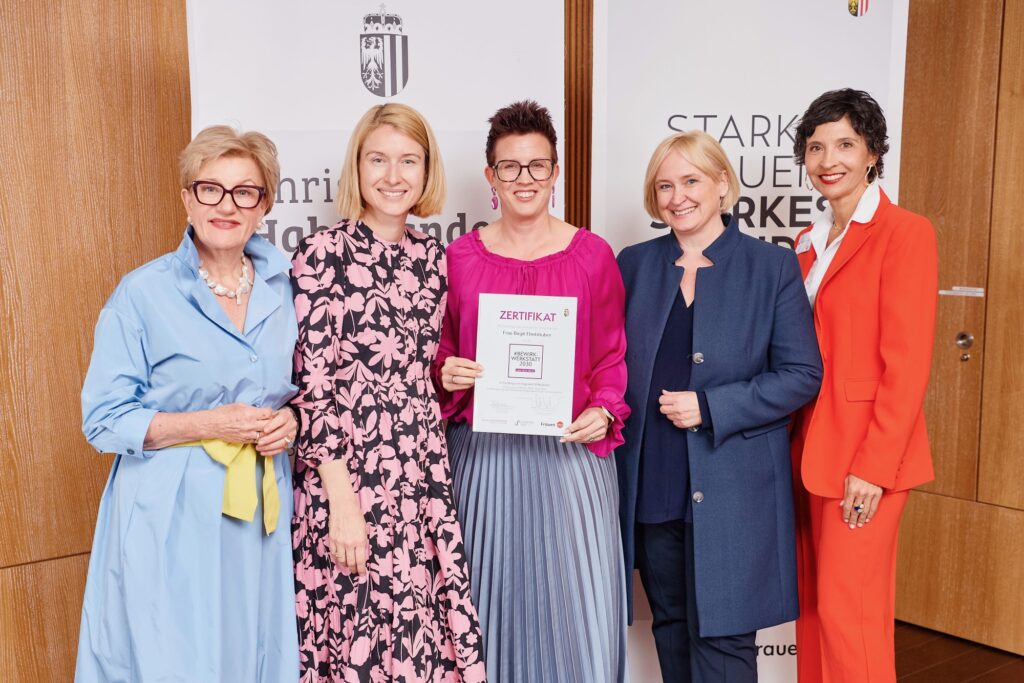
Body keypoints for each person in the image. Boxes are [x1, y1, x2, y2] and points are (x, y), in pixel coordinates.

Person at [76, 126, 300, 682]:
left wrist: (292, 420)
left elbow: (306, 385)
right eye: (210, 189)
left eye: (244, 191)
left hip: (259, 512)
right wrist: (209, 423)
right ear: (186, 198)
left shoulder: (288, 287)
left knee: (252, 655)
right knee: (177, 661)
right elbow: (104, 420)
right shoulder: (142, 292)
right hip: (171, 511)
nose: (227, 205)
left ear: (264, 204)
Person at [433, 99, 630, 682]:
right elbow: (440, 349)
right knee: (487, 601)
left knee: (579, 609)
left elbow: (611, 354)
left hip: (571, 456)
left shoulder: (593, 255)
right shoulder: (457, 259)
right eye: (510, 166)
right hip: (486, 457)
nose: (525, 178)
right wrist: (446, 371)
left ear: (555, 172)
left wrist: (605, 409)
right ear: (490, 176)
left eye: (537, 165)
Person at [616, 131, 823, 682]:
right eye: (665, 186)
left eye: (691, 181)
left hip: (735, 489)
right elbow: (605, 361)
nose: (678, 196)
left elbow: (802, 375)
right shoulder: (633, 264)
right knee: (671, 628)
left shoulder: (771, 266)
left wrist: (711, 406)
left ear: (722, 184)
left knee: (724, 645)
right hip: (655, 484)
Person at [289, 103, 485, 682]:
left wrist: (445, 374)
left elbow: (415, 369)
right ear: (357, 167)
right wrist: (342, 502)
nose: (393, 176)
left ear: (427, 170)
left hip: (420, 478)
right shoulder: (321, 254)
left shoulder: (431, 259)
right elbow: (312, 388)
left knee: (421, 637)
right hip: (348, 478)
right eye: (378, 160)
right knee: (357, 634)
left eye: (408, 161)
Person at [790, 88, 938, 683]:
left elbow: (907, 365)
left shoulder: (905, 233)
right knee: (813, 612)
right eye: (816, 147)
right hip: (806, 449)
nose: (829, 160)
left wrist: (873, 468)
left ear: (873, 152)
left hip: (866, 458)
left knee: (850, 616)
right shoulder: (808, 241)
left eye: (845, 145)